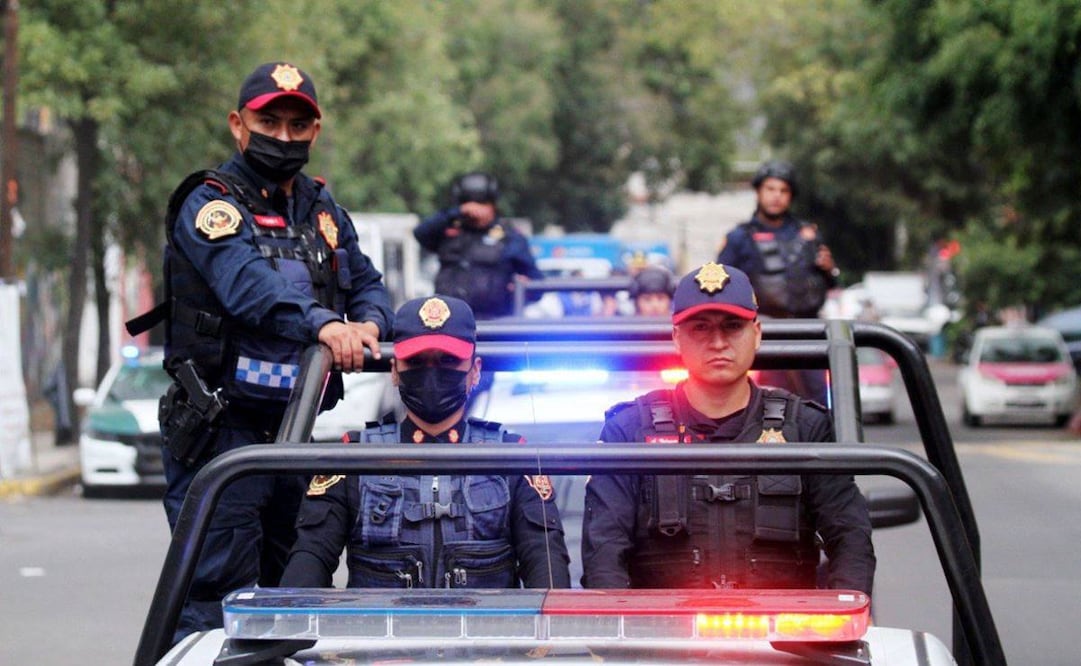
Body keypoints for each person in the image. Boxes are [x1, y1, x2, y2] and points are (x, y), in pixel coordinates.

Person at [127, 62, 393, 642]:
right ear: (237, 124)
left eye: (300, 125)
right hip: (222, 434)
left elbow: (368, 284)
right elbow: (249, 287)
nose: (284, 136)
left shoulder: (323, 213)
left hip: (293, 434)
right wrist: (325, 324)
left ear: (315, 132)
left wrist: (369, 324)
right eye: (269, 121)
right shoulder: (211, 204)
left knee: (290, 603)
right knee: (215, 605)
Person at [580, 262, 875, 594]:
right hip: (661, 638)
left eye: (733, 326)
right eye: (701, 328)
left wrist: (840, 624)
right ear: (677, 338)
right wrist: (626, 635)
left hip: (787, 639)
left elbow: (850, 539)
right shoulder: (629, 430)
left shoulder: (805, 428)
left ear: (757, 334)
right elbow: (603, 555)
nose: (718, 342)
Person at [280, 295, 571, 589]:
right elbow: (308, 562)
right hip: (379, 634)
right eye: (417, 361)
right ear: (394, 370)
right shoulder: (353, 458)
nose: (432, 371)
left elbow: (547, 568)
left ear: (476, 371)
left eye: (448, 360)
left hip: (487, 635)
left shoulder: (511, 458)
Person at [716, 160, 838, 404]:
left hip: (808, 332)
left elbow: (829, 283)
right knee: (768, 404)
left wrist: (829, 268)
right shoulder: (740, 237)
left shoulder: (808, 234)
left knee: (819, 407)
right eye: (771, 189)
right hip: (764, 334)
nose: (776, 196)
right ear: (759, 192)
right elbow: (720, 287)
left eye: (783, 191)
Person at [413, 172, 543, 319]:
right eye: (469, 204)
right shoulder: (448, 230)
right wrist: (456, 212)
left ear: (492, 205)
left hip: (495, 320)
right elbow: (420, 233)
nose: (475, 210)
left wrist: (521, 290)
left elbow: (536, 284)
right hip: (451, 320)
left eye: (481, 204)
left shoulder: (510, 237)